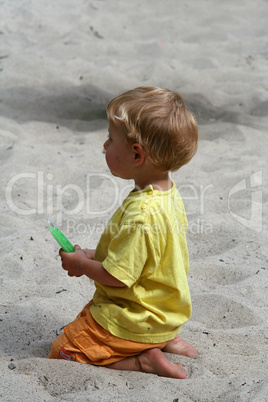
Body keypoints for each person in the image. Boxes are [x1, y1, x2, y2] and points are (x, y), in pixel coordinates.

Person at [49, 86, 198, 379]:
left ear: (136, 154)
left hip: (135, 317)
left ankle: (142, 360)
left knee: (63, 351)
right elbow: (141, 258)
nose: (105, 146)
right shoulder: (167, 194)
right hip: (165, 313)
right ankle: (163, 337)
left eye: (110, 139)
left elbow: (118, 277)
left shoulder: (141, 216)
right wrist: (90, 254)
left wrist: (80, 265)